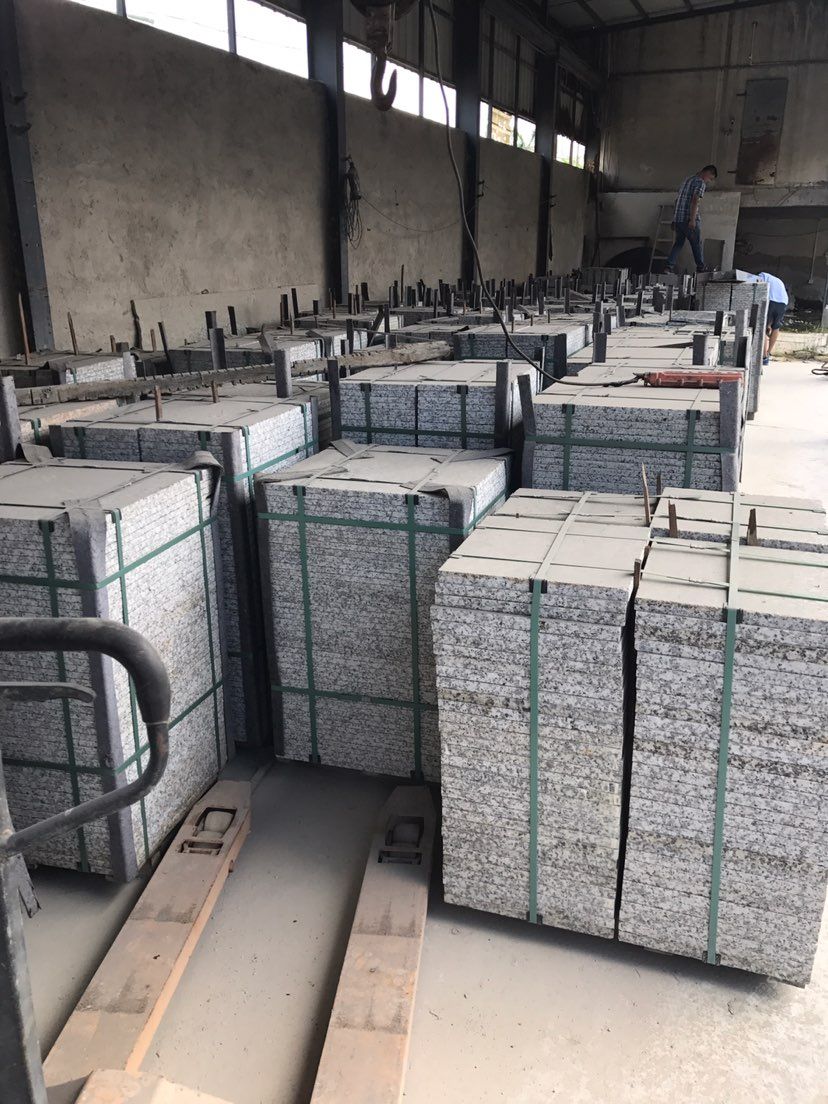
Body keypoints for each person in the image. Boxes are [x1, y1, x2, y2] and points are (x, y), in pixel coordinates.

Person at [663, 165, 718, 274]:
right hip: (688, 219)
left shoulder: (687, 180)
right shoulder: (700, 182)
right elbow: (695, 200)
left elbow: (678, 200)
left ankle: (668, 267)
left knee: (679, 243)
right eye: (710, 178)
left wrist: (674, 219)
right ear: (707, 173)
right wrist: (692, 220)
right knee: (696, 243)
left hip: (679, 219)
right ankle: (701, 268)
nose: (708, 182)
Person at [753, 271, 789, 364]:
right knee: (776, 327)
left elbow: (758, 288)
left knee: (763, 327)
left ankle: (764, 357)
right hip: (783, 302)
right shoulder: (777, 280)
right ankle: (768, 352)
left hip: (771, 300)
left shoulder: (761, 275)